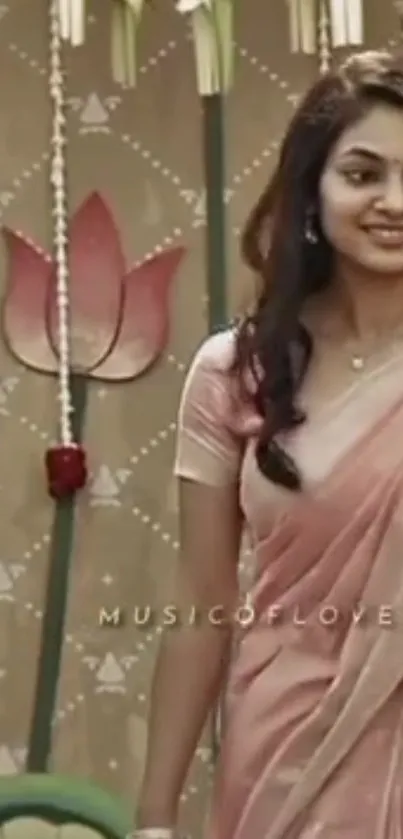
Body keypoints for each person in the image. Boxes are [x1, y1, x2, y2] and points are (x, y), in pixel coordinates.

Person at [135, 48, 403, 839]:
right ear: (311, 194)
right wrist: (154, 814)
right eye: (362, 174)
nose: (393, 201)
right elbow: (199, 603)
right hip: (281, 750)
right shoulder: (234, 373)